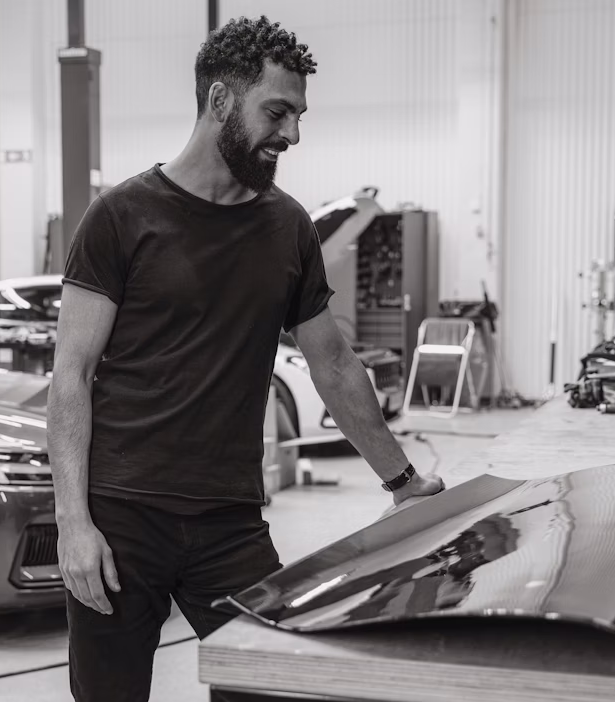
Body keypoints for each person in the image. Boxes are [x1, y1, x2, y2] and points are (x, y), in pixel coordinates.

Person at [47, 15, 445, 702]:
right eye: (278, 112)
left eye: (299, 116)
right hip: (120, 516)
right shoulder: (121, 216)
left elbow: (334, 365)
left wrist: (402, 481)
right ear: (220, 101)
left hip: (229, 521)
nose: (293, 134)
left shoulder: (286, 227)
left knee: (271, 682)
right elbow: (71, 377)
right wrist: (72, 523)